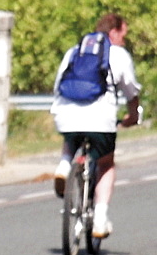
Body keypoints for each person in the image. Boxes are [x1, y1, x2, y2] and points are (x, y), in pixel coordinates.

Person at [51, 12, 140, 238]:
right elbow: (131, 92)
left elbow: (58, 84)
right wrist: (132, 117)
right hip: (100, 119)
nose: (124, 40)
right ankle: (100, 220)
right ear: (113, 32)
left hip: (65, 113)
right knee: (106, 164)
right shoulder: (118, 54)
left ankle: (63, 166)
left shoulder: (75, 51)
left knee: (71, 137)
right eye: (123, 34)